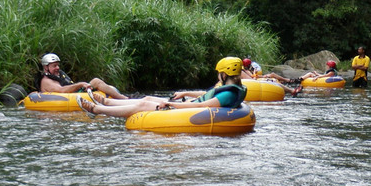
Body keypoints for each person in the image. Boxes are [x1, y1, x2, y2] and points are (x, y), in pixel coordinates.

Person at [79, 57, 247, 117]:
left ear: (224, 74)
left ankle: (97, 110)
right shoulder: (230, 89)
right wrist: (185, 93)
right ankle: (108, 102)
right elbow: (207, 94)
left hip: (189, 112)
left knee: (143, 105)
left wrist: (171, 104)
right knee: (148, 98)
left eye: (219, 73)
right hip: (189, 107)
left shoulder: (228, 95)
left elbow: (201, 105)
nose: (217, 75)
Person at [35, 53, 127, 99]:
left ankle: (123, 97)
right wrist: (80, 84)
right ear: (46, 67)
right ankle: (124, 99)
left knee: (95, 82)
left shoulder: (57, 74)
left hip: (72, 95)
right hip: (67, 97)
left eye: (58, 65)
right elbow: (61, 90)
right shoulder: (46, 81)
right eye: (54, 66)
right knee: (96, 81)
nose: (57, 68)